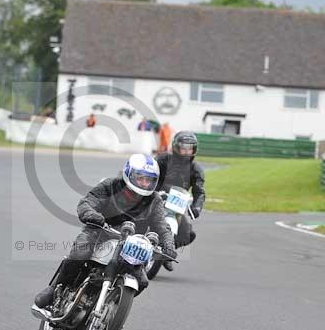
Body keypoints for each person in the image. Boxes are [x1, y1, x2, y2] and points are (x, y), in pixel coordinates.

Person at [33, 153, 177, 309]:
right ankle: (55, 289)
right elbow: (87, 202)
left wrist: (168, 244)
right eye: (140, 178)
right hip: (99, 232)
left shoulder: (154, 200)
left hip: (129, 244)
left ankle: (111, 306)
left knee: (142, 281)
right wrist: (93, 215)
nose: (144, 183)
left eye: (149, 180)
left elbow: (162, 226)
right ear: (129, 174)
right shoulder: (111, 185)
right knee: (80, 254)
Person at [155, 132, 205, 267]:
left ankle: (166, 253)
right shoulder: (162, 159)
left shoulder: (196, 169)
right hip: (154, 197)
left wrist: (197, 206)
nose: (187, 151)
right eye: (184, 148)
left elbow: (199, 191)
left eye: (190, 148)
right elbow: (150, 174)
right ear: (176, 147)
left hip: (175, 205)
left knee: (188, 234)